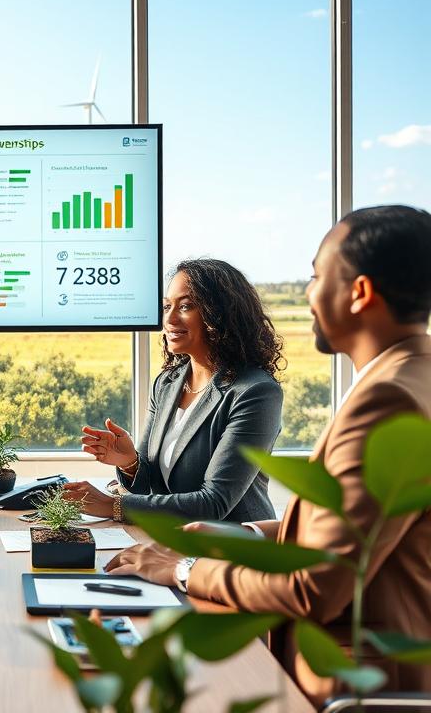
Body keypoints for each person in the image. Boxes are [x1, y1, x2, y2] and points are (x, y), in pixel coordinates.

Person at [104, 205, 431, 705]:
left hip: (350, 676)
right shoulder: (412, 377)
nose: (308, 293)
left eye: (318, 276)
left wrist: (182, 568)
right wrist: (242, 533)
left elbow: (314, 588)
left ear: (360, 293)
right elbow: (353, 532)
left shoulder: (386, 400)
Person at [64, 258, 284, 522]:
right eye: (167, 306)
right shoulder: (167, 383)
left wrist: (113, 505)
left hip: (233, 548)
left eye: (186, 306)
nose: (169, 318)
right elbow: (152, 486)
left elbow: (214, 503)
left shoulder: (255, 392)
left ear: (220, 314)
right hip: (175, 541)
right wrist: (130, 462)